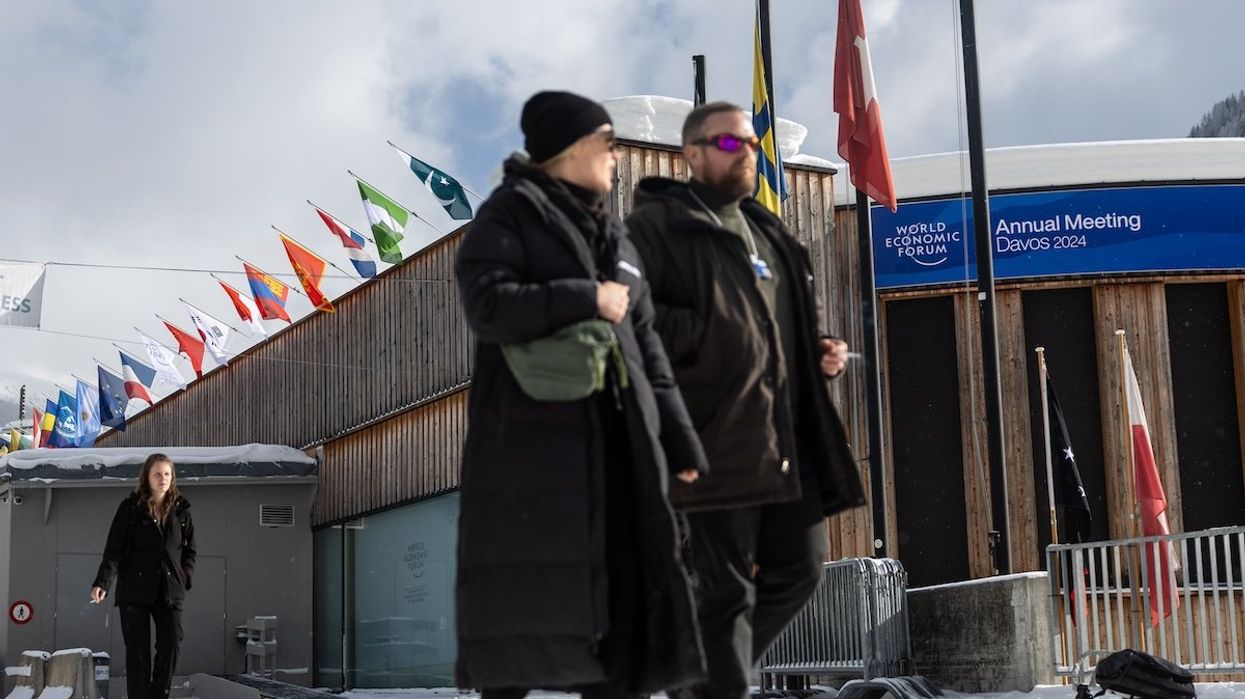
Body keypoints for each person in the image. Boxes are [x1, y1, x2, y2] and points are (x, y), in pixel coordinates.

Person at [453, 90, 709, 699]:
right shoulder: (509, 214)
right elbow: (486, 304)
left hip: (623, 451)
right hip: (532, 454)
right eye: (607, 144)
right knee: (522, 612)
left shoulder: (617, 239)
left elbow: (650, 353)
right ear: (572, 150)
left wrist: (680, 442)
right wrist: (584, 297)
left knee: (622, 620)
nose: (616, 158)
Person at [624, 101, 866, 699]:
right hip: (713, 432)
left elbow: (780, 329)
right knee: (725, 590)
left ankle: (696, 678)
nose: (746, 153)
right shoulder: (654, 228)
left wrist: (818, 352)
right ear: (692, 154)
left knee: (801, 568)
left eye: (751, 143)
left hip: (785, 433)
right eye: (729, 144)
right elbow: (631, 320)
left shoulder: (771, 231)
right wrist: (713, 330)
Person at [91, 453, 196, 699]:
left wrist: (184, 576)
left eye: (167, 474)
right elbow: (114, 549)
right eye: (157, 474)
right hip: (134, 590)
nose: (163, 478)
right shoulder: (130, 509)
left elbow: (190, 549)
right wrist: (102, 582)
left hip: (169, 589)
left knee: (170, 645)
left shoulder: (182, 510)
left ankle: (159, 695)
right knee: (138, 652)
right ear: (147, 477)